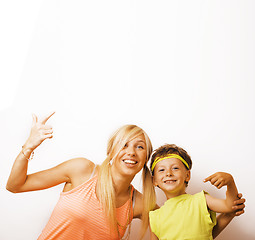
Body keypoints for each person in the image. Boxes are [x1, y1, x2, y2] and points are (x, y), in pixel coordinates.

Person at [6, 113, 245, 240]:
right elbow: (15, 186)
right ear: (112, 151)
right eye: (124, 145)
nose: (131, 152)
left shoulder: (142, 204)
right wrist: (28, 147)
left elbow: (190, 233)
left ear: (145, 162)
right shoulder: (81, 170)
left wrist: (229, 213)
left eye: (140, 147)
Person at [149, 144, 242, 240]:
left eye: (175, 168)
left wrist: (230, 182)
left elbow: (231, 206)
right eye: (161, 170)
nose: (168, 173)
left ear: (187, 175)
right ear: (154, 180)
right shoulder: (155, 217)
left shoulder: (201, 200)